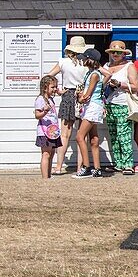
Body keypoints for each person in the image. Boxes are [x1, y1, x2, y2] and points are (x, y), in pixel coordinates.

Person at [45, 36, 91, 175]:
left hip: (68, 95)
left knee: (64, 134)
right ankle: (80, 168)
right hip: (83, 95)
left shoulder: (63, 62)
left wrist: (57, 89)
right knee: (82, 136)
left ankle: (58, 167)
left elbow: (48, 76)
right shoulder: (87, 63)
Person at [102, 41, 138, 175]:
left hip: (124, 104)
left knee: (124, 135)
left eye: (118, 52)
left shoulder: (129, 66)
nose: (115, 54)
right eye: (113, 52)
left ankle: (128, 165)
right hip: (109, 104)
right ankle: (119, 164)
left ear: (124, 54)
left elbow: (136, 87)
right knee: (114, 136)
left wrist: (119, 84)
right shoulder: (106, 66)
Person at [74, 48, 106, 179]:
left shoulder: (94, 75)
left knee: (79, 136)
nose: (82, 60)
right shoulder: (91, 73)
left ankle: (86, 167)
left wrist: (80, 97)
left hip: (92, 106)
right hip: (91, 107)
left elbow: (88, 94)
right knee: (94, 138)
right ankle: (97, 168)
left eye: (84, 58)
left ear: (90, 59)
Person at [34, 75, 62, 179]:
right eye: (53, 87)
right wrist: (44, 111)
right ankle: (45, 177)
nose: (55, 89)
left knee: (52, 152)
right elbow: (37, 115)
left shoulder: (50, 99)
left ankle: (49, 175)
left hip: (53, 132)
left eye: (56, 87)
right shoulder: (40, 99)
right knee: (46, 153)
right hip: (44, 131)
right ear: (45, 87)